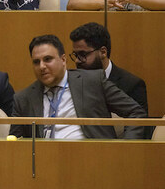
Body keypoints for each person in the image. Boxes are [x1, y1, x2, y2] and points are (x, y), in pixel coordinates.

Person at [11, 35, 147, 139]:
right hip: (44, 164)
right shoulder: (23, 99)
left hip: (92, 160)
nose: (42, 66)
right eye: (36, 62)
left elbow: (135, 113)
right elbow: (14, 143)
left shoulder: (93, 81)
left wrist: (125, 148)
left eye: (48, 59)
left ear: (63, 60)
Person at [69, 22, 148, 114]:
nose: (77, 61)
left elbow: (140, 124)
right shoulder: (73, 82)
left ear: (103, 52)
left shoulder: (132, 85)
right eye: (76, 55)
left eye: (82, 54)